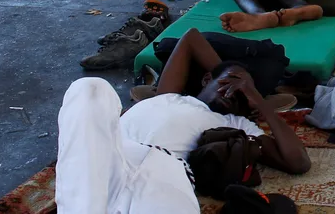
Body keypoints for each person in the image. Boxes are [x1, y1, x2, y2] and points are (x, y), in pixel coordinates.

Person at [56, 27, 309, 214]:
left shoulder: (237, 125)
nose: (234, 91)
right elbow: (191, 38)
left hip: (164, 173)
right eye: (228, 82)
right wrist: (231, 73)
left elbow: (298, 162)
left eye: (242, 91)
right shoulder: (170, 96)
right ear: (206, 80)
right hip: (110, 154)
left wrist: (257, 98)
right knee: (90, 87)